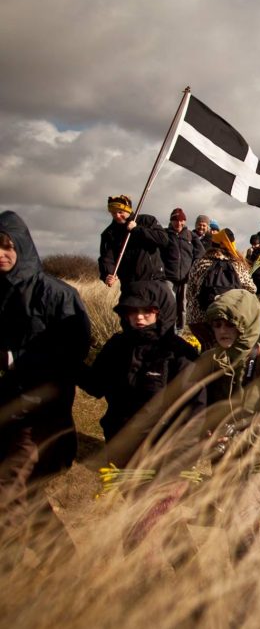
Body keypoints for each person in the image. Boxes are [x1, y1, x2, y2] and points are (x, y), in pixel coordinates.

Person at [1, 211, 91, 543]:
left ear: (22, 246)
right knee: (28, 497)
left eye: (7, 246)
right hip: (6, 407)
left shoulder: (57, 294)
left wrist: (15, 359)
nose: (1, 254)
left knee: (8, 490)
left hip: (40, 415)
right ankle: (63, 562)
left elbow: (74, 351)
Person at [199, 290, 260, 556]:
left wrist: (247, 436)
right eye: (217, 324)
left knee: (242, 515)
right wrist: (206, 431)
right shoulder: (211, 361)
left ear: (245, 325)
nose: (223, 331)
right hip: (228, 459)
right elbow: (200, 406)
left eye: (230, 324)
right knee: (237, 521)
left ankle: (255, 572)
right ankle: (252, 570)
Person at [81, 280, 204, 467]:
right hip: (119, 447)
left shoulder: (180, 352)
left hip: (162, 454)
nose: (139, 317)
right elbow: (95, 385)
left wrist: (181, 458)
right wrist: (69, 364)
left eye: (147, 311)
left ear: (161, 311)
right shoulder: (117, 345)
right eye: (133, 310)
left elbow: (194, 409)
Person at [186, 228, 257, 347]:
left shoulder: (200, 263)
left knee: (208, 350)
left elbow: (189, 293)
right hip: (227, 318)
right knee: (223, 351)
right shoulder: (237, 264)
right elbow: (252, 289)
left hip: (198, 319)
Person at [98, 194, 169, 293]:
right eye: (113, 213)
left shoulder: (147, 220)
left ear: (128, 210)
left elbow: (163, 239)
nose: (117, 216)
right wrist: (107, 274)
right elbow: (106, 258)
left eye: (120, 212)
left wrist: (137, 229)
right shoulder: (109, 233)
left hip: (155, 281)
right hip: (130, 285)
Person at [162, 207, 204, 330]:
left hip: (186, 278)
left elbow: (200, 253)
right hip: (168, 277)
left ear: (184, 221)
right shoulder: (164, 234)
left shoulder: (190, 235)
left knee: (183, 306)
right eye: (175, 220)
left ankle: (180, 331)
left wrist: (193, 269)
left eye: (181, 220)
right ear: (171, 221)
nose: (178, 223)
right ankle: (170, 330)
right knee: (170, 304)